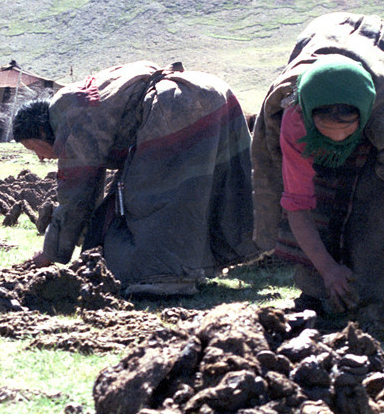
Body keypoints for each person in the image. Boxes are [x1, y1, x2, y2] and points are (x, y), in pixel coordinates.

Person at [250, 13, 384, 341]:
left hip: (383, 67)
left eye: (347, 132)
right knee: (320, 198)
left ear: (365, 117)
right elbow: (298, 203)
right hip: (318, 63)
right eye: (329, 133)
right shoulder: (293, 118)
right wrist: (327, 270)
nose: (339, 142)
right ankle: (315, 288)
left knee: (377, 203)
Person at [13, 60, 258, 296]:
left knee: (151, 202)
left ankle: (165, 278)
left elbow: (77, 194)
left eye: (33, 148)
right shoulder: (76, 100)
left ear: (42, 132)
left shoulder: (69, 119)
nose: (40, 158)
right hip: (210, 91)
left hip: (174, 106)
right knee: (205, 187)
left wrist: (50, 254)